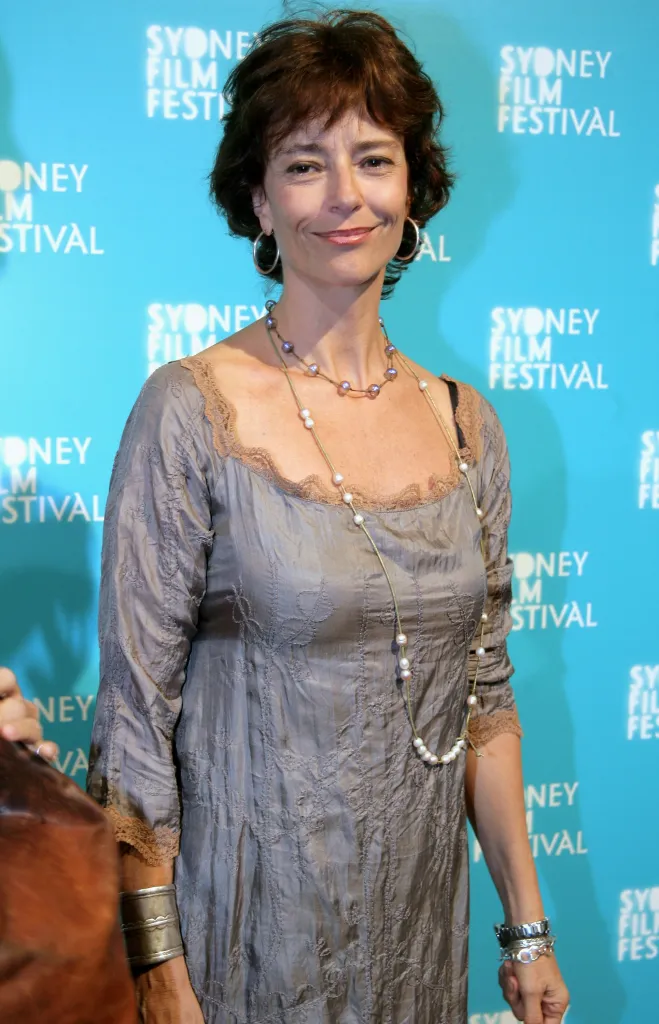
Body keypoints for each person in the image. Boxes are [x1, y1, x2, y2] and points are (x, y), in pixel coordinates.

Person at [87, 10, 570, 1024]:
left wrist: (526, 928)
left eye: (373, 158)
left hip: (413, 948)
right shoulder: (192, 409)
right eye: (305, 165)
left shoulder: (463, 425)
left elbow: (482, 699)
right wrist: (157, 967)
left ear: (413, 189)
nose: (345, 196)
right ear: (257, 200)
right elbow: (132, 728)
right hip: (239, 950)